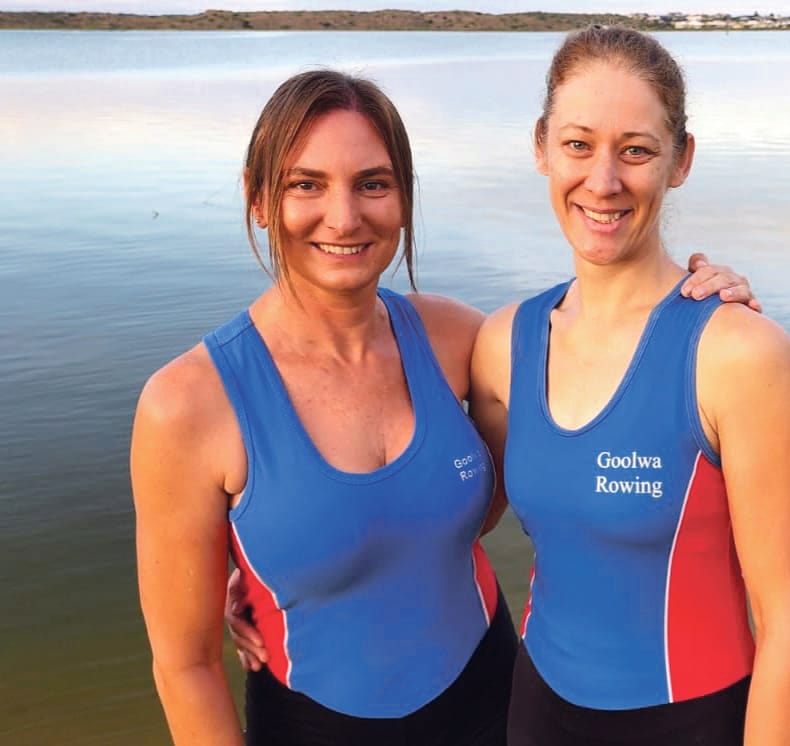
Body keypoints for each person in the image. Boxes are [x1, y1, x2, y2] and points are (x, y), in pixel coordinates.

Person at [132, 68, 755, 746]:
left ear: (402, 198)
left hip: (494, 700)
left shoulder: (458, 338)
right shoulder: (188, 403)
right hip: (312, 724)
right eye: (304, 184)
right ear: (257, 200)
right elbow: (186, 665)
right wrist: (278, 564)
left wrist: (705, 299)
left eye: (374, 183)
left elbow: (602, 352)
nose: (344, 217)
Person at [468, 27, 790, 746]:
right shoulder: (502, 344)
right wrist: (262, 571)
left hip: (691, 719)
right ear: (541, 146)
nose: (602, 181)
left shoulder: (738, 355)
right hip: (538, 707)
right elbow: (450, 516)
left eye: (635, 149)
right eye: (577, 144)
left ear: (680, 160)